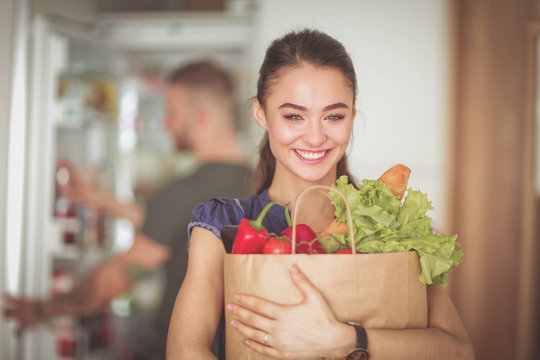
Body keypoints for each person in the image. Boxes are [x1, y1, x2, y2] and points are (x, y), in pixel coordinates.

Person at [165, 29, 475, 360]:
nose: (315, 137)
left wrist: (346, 339)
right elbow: (186, 351)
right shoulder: (223, 224)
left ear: (352, 117)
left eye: (333, 116)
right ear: (261, 114)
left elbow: (458, 351)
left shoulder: (387, 226)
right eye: (294, 116)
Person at [3, 61, 253, 359]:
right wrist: (103, 200)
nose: (166, 123)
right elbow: (174, 228)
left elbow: (116, 279)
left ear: (199, 116)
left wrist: (41, 309)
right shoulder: (259, 183)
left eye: (171, 112)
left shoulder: (183, 191)